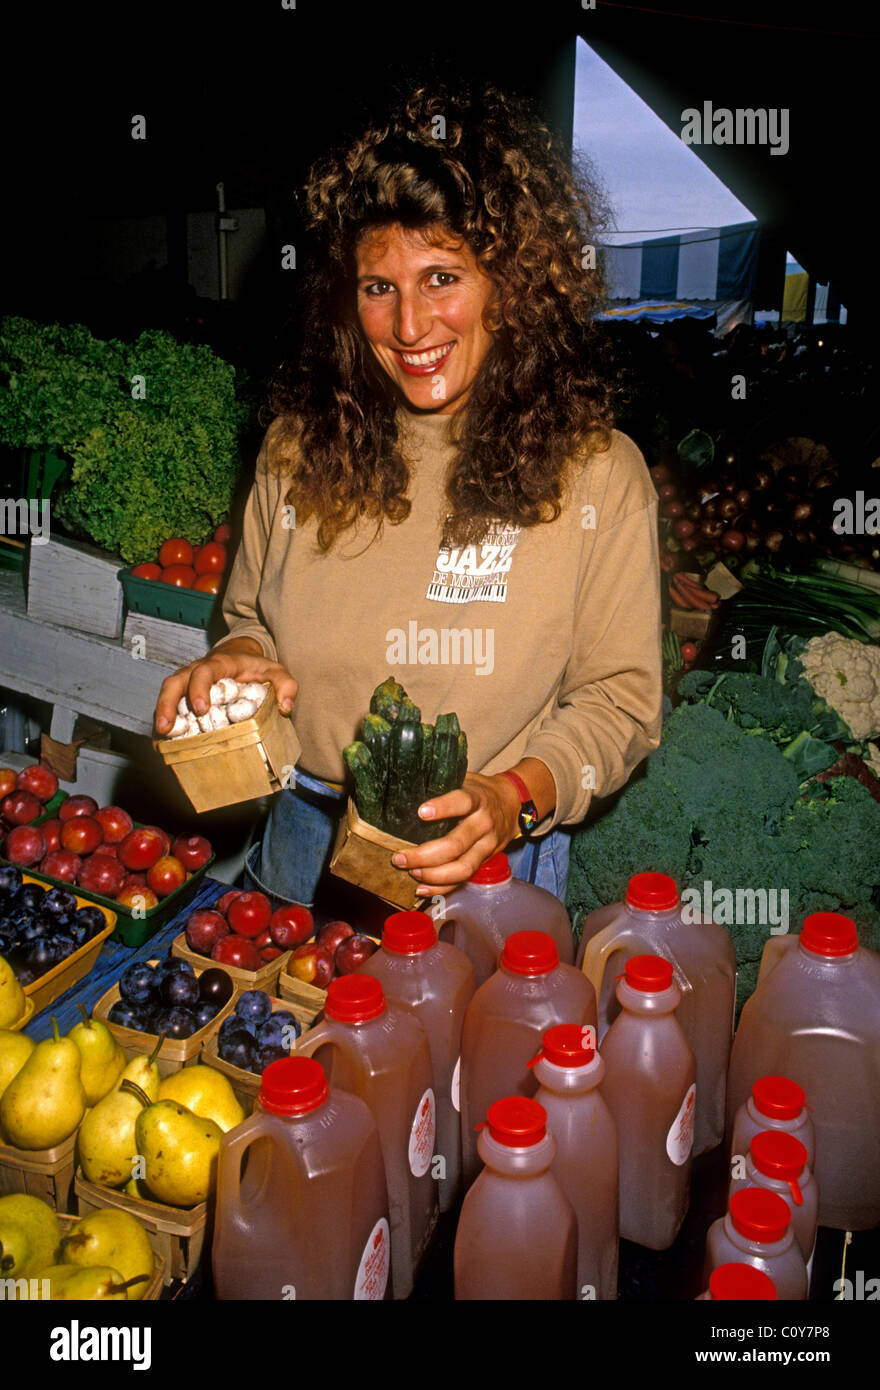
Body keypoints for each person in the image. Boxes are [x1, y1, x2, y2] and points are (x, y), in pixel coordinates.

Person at [154, 82, 663, 912]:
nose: (410, 326)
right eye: (377, 287)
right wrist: (235, 665)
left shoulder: (597, 474)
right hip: (300, 837)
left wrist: (513, 798)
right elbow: (252, 621)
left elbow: (620, 702)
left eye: (442, 276)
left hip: (479, 868)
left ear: (514, 283)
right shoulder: (296, 446)